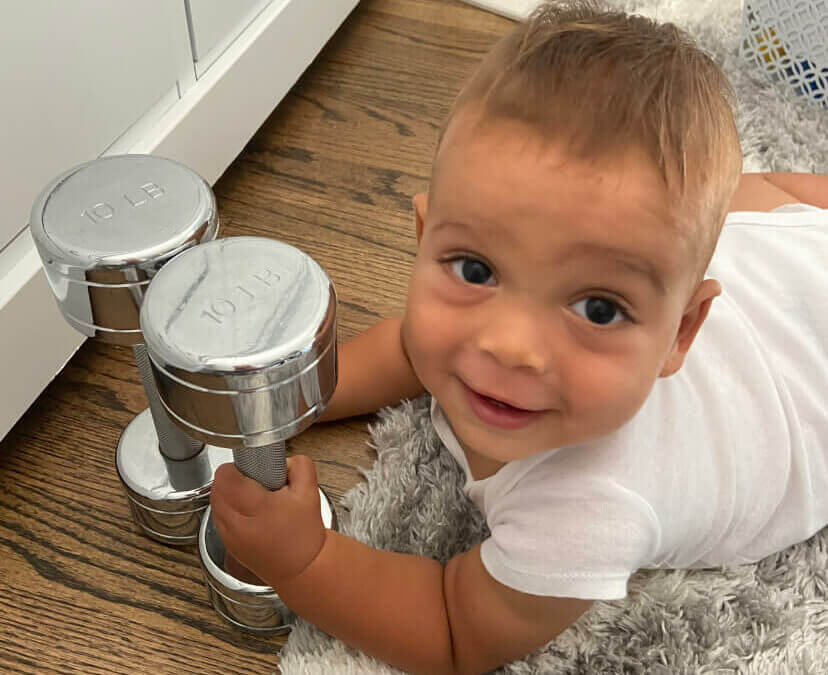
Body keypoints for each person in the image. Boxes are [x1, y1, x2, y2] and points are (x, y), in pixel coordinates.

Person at [208, 1, 828, 673]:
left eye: (598, 308)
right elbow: (404, 350)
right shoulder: (478, 334)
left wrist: (307, 559)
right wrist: (291, 396)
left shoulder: (591, 505)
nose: (510, 345)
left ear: (681, 334)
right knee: (755, 196)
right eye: (476, 269)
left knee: (763, 202)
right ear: (423, 241)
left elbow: (453, 630)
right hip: (774, 257)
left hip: (802, 338)